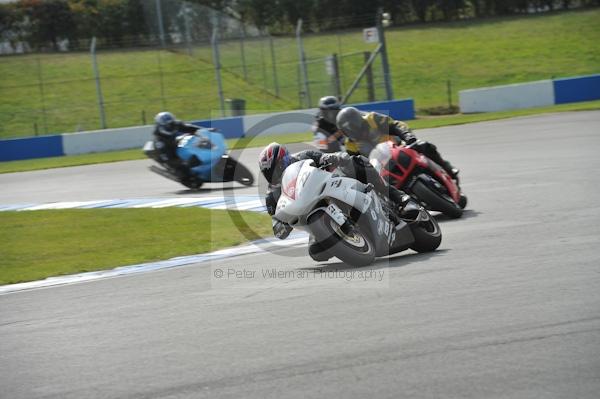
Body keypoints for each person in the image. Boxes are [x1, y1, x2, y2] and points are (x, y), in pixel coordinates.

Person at [258, 142, 413, 261]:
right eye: (270, 172)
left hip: (333, 187)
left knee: (357, 162)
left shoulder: (303, 156)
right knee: (316, 253)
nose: (276, 173)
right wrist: (281, 225)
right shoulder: (272, 197)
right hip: (312, 216)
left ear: (285, 158)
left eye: (278, 167)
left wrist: (333, 158)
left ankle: (398, 196)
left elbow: (325, 157)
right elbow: (277, 224)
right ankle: (351, 242)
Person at [336, 107, 459, 178]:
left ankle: (448, 168)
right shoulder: (350, 145)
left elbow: (395, 125)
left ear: (359, 120)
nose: (353, 131)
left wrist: (408, 136)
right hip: (382, 168)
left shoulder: (372, 119)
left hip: (400, 148)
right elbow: (356, 164)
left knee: (424, 146)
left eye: (354, 126)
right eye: (348, 130)